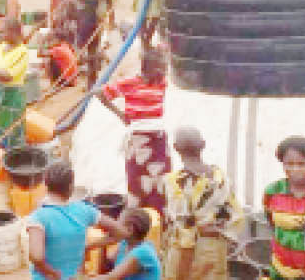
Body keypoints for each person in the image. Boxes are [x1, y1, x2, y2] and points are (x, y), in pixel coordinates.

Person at [163, 127, 240, 280]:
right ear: (203, 144)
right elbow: (235, 216)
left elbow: (185, 230)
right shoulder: (221, 177)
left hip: (190, 252)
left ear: (175, 148)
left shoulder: (176, 183)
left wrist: (181, 273)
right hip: (215, 247)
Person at [100, 49, 170, 212]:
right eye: (159, 68)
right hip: (138, 140)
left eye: (164, 68)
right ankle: (138, 218)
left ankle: (158, 216)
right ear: (148, 67)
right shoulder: (130, 83)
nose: (163, 72)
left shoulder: (161, 82)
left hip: (158, 138)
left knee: (161, 180)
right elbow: (100, 93)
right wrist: (121, 115)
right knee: (137, 180)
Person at [28, 161, 104, 280]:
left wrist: (51, 273)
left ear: (46, 186)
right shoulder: (84, 210)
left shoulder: (38, 216)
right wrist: (89, 246)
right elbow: (120, 232)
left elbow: (36, 256)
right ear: (71, 187)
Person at [262, 136, 305, 280]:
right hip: (280, 267)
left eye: (302, 164)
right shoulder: (273, 190)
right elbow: (272, 222)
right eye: (289, 164)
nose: (295, 169)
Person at [0, 18, 30, 150]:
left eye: (3, 32)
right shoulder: (1, 47)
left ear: (13, 32)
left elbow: (9, 76)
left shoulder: (22, 52)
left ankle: (11, 160)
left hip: (12, 97)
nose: (1, 35)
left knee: (11, 132)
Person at [96, 208, 161, 280]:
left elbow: (111, 277)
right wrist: (103, 244)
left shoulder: (142, 252)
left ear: (130, 229)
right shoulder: (124, 244)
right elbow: (106, 268)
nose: (115, 225)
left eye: (119, 222)